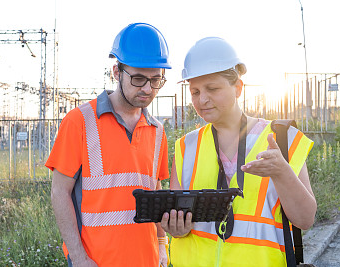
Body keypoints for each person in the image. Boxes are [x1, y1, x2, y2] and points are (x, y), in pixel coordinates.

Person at [160, 37, 317, 266]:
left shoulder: (282, 140)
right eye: (194, 91)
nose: (202, 99)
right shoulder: (186, 147)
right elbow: (179, 227)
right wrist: (175, 228)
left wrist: (282, 172)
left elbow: (305, 219)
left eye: (212, 88)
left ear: (238, 88)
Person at [46, 23, 171, 267]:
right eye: (138, 79)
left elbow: (155, 190)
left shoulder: (157, 131)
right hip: (96, 262)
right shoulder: (79, 121)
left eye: (156, 80)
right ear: (117, 72)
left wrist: (161, 244)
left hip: (146, 260)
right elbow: (59, 193)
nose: (147, 89)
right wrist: (79, 258)